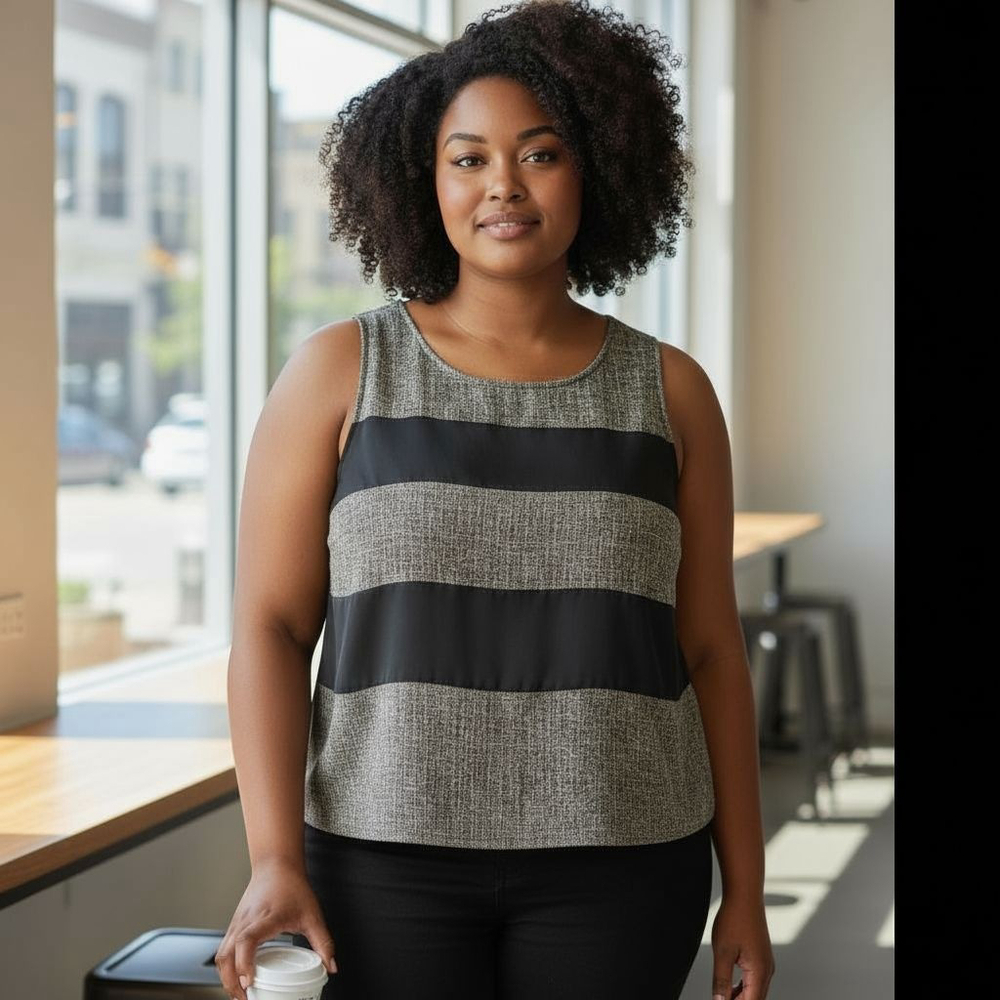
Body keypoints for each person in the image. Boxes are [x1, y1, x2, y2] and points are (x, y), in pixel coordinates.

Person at [215, 1, 775, 998]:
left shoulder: (671, 390)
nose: (502, 186)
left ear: (596, 168)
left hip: (626, 858)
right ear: (420, 181)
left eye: (540, 153)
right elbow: (268, 626)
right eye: (467, 158)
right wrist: (272, 857)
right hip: (382, 861)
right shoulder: (341, 371)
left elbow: (710, 652)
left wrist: (746, 887)